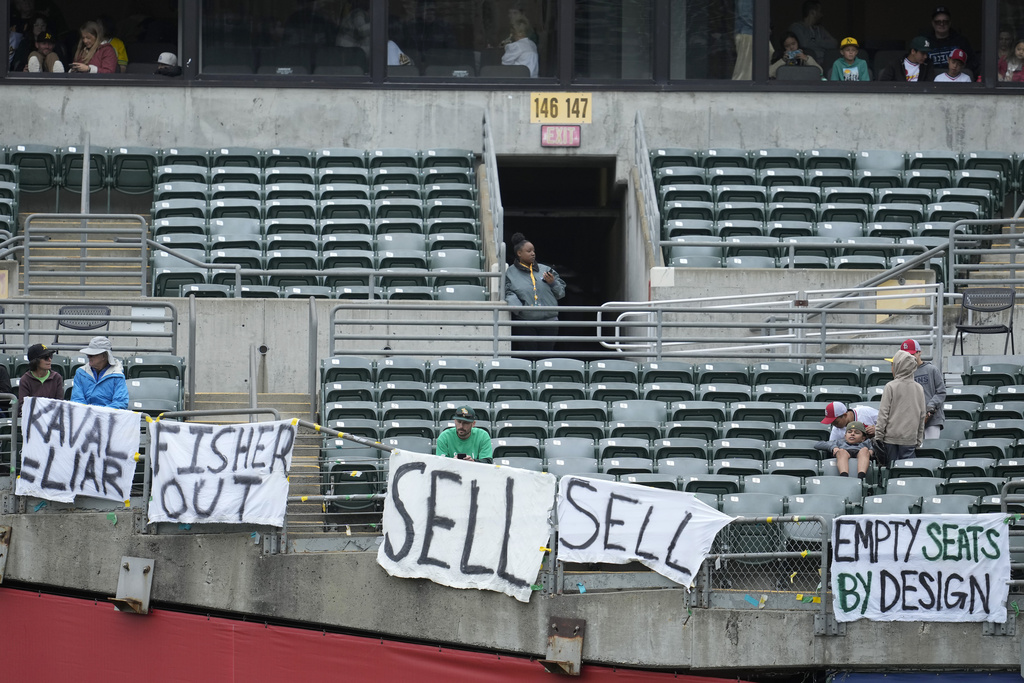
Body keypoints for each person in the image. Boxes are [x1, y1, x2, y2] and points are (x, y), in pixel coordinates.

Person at [504, 232, 565, 354]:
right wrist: (518, 308)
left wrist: (552, 283)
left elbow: (561, 293)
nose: (533, 253)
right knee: (528, 357)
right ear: (519, 253)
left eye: (533, 251)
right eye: (529, 251)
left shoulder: (546, 269)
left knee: (546, 358)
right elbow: (507, 292)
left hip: (549, 321)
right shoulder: (509, 273)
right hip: (526, 322)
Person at [874, 350, 927, 465]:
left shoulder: (890, 386)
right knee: (906, 473)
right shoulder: (919, 388)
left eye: (893, 365)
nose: (891, 368)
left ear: (899, 366)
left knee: (891, 472)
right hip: (910, 440)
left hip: (890, 440)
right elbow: (922, 416)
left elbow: (883, 413)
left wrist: (878, 436)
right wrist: (918, 439)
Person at [891, 339, 946, 439]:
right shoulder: (905, 372)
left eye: (912, 354)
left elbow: (941, 392)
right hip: (912, 420)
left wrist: (931, 406)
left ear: (919, 352)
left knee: (930, 448)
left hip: (932, 418)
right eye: (906, 355)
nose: (910, 357)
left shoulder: (931, 369)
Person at [70, 336, 129, 409]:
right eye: (88, 354)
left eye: (92, 355)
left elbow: (120, 403)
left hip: (108, 418)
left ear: (104, 356)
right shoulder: (80, 373)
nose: (88, 357)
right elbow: (77, 400)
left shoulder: (118, 376)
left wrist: (99, 414)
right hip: (85, 417)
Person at [925, 6, 976, 75]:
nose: (942, 24)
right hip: (931, 81)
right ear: (933, 23)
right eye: (938, 22)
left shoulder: (961, 41)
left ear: (950, 23)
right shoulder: (925, 42)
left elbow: (972, 62)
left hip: (956, 81)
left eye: (945, 21)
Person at [788, 0, 837, 66]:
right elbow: (805, 44)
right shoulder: (797, 27)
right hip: (807, 64)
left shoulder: (820, 29)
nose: (821, 15)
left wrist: (815, 41)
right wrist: (824, 46)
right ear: (813, 12)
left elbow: (834, 43)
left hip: (825, 63)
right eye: (819, 11)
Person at [18, 343, 63, 414]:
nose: (49, 359)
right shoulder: (25, 380)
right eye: (45, 357)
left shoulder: (57, 378)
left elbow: (59, 404)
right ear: (35, 361)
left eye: (50, 356)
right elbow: (23, 406)